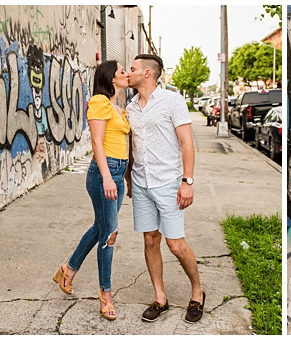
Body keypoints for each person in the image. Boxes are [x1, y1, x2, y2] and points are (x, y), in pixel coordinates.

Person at [124, 54, 205, 324]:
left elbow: (187, 143)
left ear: (148, 73)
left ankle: (197, 292)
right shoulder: (131, 107)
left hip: (169, 182)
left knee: (176, 244)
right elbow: (132, 147)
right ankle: (160, 298)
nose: (129, 72)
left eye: (132, 68)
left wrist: (187, 182)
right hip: (141, 182)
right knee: (150, 240)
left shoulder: (172, 101)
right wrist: (128, 181)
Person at [52, 60, 130, 321]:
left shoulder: (118, 108)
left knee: (100, 227)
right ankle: (106, 294)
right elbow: (96, 142)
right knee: (110, 234)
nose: (126, 74)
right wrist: (108, 178)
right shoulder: (99, 101)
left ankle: (68, 270)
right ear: (110, 79)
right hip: (103, 174)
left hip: (117, 173)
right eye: (122, 71)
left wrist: (123, 177)